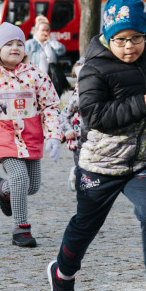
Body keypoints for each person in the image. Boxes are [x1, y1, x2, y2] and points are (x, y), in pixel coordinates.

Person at [47, 0, 146, 291]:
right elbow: (93, 115)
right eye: (121, 40)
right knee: (86, 225)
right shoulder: (92, 69)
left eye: (137, 38)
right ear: (108, 36)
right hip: (102, 162)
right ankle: (63, 274)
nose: (130, 47)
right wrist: (139, 105)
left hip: (142, 158)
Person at [0, 22, 62, 248]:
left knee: (32, 186)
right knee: (19, 177)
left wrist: (54, 135)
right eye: (9, 44)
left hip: (30, 137)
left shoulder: (36, 75)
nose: (15, 48)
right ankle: (21, 228)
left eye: (19, 43)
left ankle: (3, 188)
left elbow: (50, 105)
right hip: (4, 137)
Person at [57, 60, 85, 192]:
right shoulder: (78, 96)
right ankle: (77, 176)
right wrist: (68, 131)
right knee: (81, 167)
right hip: (78, 138)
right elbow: (63, 115)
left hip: (93, 138)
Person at [26, 15, 70, 97]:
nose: (45, 32)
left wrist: (51, 40)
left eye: (47, 30)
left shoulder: (50, 43)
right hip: (36, 78)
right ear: (36, 31)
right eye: (43, 30)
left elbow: (62, 50)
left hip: (51, 78)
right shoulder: (30, 44)